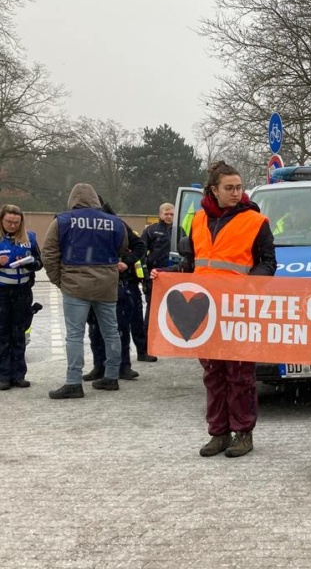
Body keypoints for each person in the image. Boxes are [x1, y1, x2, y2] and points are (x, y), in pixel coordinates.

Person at [159, 161, 276, 458]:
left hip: (237, 307)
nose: (236, 193)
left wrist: (250, 285)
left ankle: (243, 432)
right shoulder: (198, 220)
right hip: (203, 308)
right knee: (213, 373)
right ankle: (219, 432)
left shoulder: (255, 221)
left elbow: (267, 262)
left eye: (239, 187)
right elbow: (192, 261)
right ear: (214, 190)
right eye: (230, 188)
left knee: (240, 374)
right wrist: (170, 279)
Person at [42, 183, 128, 399]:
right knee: (111, 332)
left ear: (73, 199)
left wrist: (59, 280)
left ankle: (73, 381)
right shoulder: (115, 222)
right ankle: (111, 376)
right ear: (95, 200)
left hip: (75, 283)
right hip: (107, 283)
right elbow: (121, 248)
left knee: (74, 335)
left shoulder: (62, 221)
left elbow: (49, 253)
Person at [84, 209, 150, 382]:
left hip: (118, 283)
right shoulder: (81, 225)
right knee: (95, 328)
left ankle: (123, 366)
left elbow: (140, 246)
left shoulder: (116, 223)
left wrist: (126, 262)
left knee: (120, 327)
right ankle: (99, 366)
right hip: (92, 284)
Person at [0, 205, 43, 389]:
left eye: (16, 223)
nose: (13, 226)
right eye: (9, 222)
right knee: (2, 334)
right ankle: (3, 376)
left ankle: (19, 374)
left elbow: (40, 263)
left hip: (23, 291)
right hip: (2, 292)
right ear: (2, 220)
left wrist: (32, 263)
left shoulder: (30, 238)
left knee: (19, 334)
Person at [141, 202, 175, 324]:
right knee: (152, 310)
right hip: (154, 275)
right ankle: (148, 339)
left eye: (172, 214)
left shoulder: (179, 230)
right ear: (160, 214)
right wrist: (145, 275)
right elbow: (141, 253)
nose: (169, 217)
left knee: (171, 310)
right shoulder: (151, 230)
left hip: (173, 275)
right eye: (166, 214)